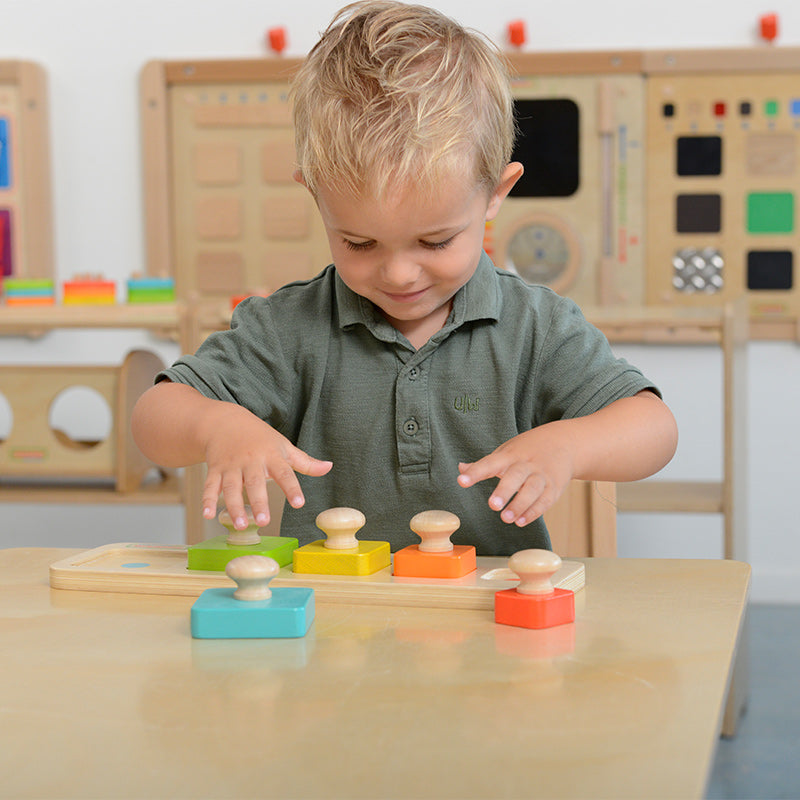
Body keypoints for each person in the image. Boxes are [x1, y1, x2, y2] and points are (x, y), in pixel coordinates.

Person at [132, 0, 677, 556]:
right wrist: (217, 427)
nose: (398, 273)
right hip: (333, 625)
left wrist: (570, 444)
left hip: (487, 626)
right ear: (315, 196)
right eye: (359, 243)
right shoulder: (286, 327)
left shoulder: (536, 327)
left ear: (496, 194)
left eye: (435, 241)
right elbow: (154, 419)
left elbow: (654, 429)